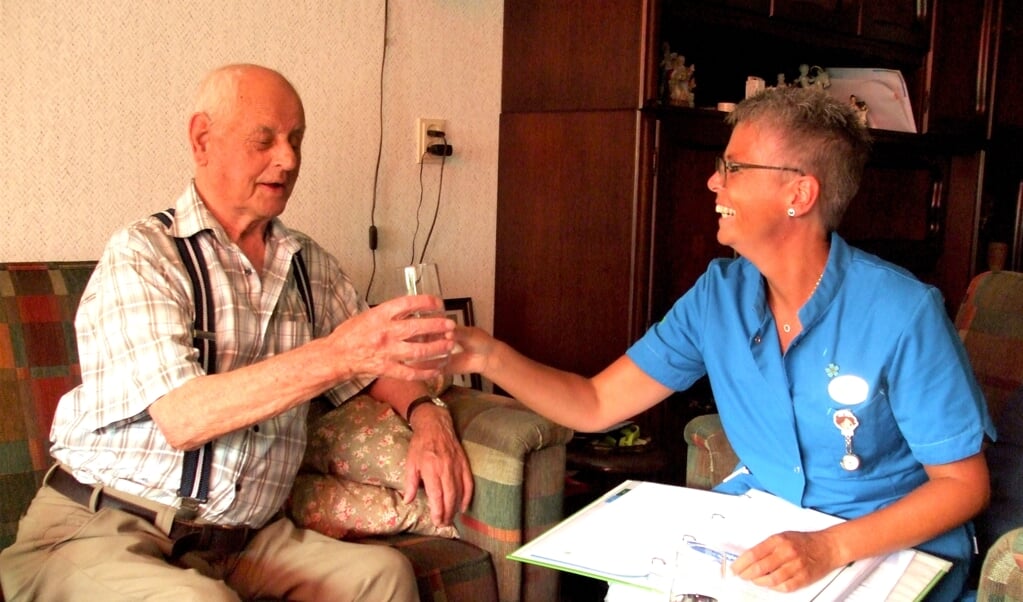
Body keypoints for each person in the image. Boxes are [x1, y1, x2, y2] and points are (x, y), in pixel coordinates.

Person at [446, 86, 994, 601]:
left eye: (732, 168)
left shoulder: (902, 312)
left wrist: (830, 547)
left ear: (799, 194)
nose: (713, 183)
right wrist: (483, 353)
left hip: (887, 543)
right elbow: (595, 404)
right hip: (768, 527)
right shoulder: (719, 296)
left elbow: (963, 485)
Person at [0, 63, 472, 601]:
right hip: (105, 525)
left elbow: (375, 367)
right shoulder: (145, 255)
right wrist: (339, 355)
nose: (288, 159)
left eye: (296, 140)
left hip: (242, 543)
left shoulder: (308, 266)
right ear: (202, 139)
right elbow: (183, 416)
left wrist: (428, 417)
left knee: (383, 577)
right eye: (264, 140)